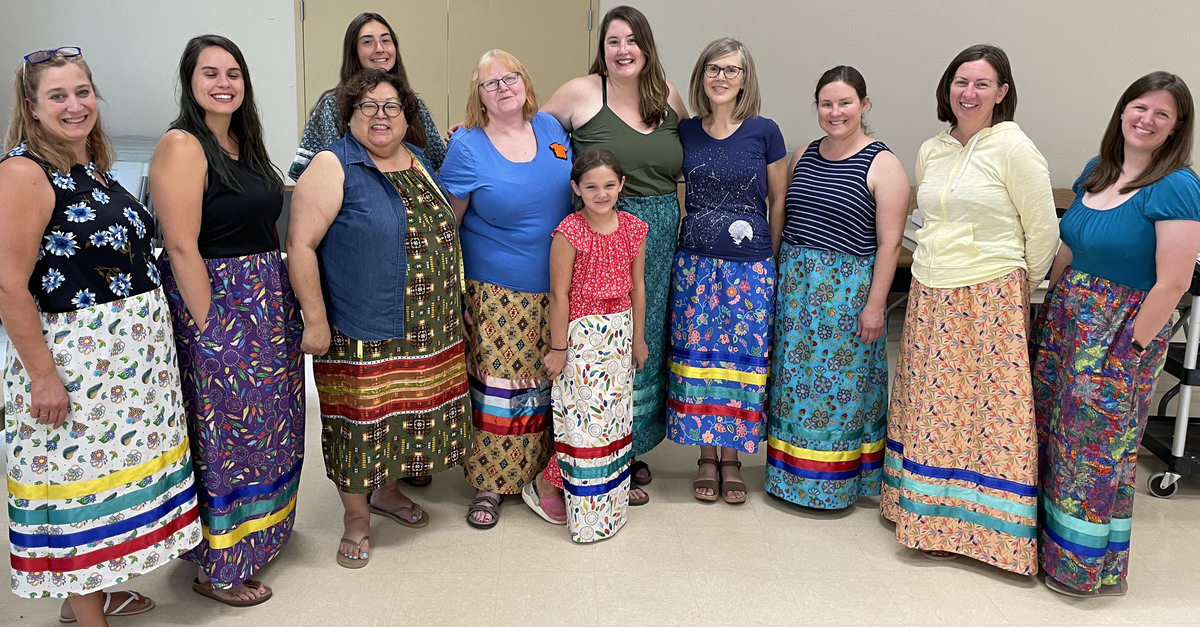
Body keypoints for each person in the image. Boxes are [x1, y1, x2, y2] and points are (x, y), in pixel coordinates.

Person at [0, 47, 201, 625]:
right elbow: (11, 287)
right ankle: (91, 617)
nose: (74, 105)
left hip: (123, 368)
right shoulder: (24, 173)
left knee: (109, 491)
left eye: (82, 92)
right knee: (79, 496)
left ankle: (94, 597)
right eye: (57, 96)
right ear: (32, 108)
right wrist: (42, 377)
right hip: (75, 363)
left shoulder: (86, 163)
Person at [879, 44, 1058, 574]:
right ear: (948, 88)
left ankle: (984, 532)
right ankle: (925, 516)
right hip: (932, 293)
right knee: (932, 408)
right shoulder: (932, 149)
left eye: (982, 83)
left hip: (989, 297)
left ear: (1002, 92)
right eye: (961, 81)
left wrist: (1016, 294)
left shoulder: (1014, 148)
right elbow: (925, 219)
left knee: (987, 414)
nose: (969, 92)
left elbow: (1043, 230)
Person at [287, 69, 468, 567]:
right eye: (369, 106)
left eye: (392, 106)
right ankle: (356, 518)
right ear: (348, 115)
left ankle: (385, 492)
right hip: (359, 326)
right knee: (359, 422)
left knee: (400, 419)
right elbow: (300, 246)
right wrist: (315, 321)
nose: (382, 116)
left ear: (407, 117)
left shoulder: (417, 161)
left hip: (427, 327)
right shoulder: (333, 164)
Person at [150, 35, 304, 605]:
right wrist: (212, 328)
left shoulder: (245, 142)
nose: (223, 83)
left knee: (269, 425)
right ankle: (218, 564)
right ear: (190, 82)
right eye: (210, 73)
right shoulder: (182, 144)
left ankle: (260, 535)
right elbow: (182, 247)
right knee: (225, 433)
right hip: (216, 302)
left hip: (265, 301)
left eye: (233, 72)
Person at [1034, 72, 1200, 597]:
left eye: (1162, 114)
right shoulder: (1097, 170)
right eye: (1139, 107)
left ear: (1176, 129)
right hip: (1065, 322)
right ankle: (1041, 548)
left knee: (1093, 450)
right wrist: (1038, 310)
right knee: (1051, 436)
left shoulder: (1176, 185)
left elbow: (1173, 280)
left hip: (1117, 333)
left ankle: (1082, 568)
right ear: (1123, 110)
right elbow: (1069, 248)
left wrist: (1132, 347)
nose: (1146, 119)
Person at [542, 5, 687, 502]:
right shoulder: (582, 91)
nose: (623, 50)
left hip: (660, 231)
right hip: (599, 228)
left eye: (631, 40)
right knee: (594, 338)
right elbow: (528, 131)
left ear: (646, 46)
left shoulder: (667, 96)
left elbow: (686, 158)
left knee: (641, 333)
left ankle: (629, 444)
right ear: (601, 49)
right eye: (613, 41)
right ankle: (586, 444)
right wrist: (469, 130)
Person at [765, 66, 909, 509]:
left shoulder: (883, 163)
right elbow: (784, 214)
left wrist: (875, 305)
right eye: (826, 103)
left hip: (846, 296)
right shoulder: (804, 152)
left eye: (845, 102)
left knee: (839, 388)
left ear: (864, 105)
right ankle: (787, 478)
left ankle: (833, 485)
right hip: (796, 288)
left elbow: (889, 245)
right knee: (792, 385)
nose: (835, 112)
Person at [441, 50, 573, 528]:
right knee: (500, 389)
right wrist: (449, 294)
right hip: (497, 290)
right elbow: (446, 226)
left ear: (525, 81)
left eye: (509, 77)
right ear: (478, 96)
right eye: (489, 83)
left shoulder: (552, 131)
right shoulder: (468, 146)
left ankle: (543, 474)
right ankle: (490, 484)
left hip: (560, 286)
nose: (502, 87)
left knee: (545, 384)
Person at [664, 38, 786, 504]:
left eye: (732, 70)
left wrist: (767, 256)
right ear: (701, 76)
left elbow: (779, 200)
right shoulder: (686, 131)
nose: (721, 77)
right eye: (713, 68)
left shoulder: (765, 131)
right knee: (700, 360)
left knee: (741, 365)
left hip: (749, 268)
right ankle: (705, 457)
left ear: (745, 78)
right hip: (694, 266)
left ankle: (732, 458)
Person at [529, 148, 647, 541]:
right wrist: (559, 349)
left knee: (613, 420)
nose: (601, 193)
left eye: (609, 185)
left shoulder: (634, 228)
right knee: (583, 423)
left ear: (622, 185)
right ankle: (550, 485)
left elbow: (639, 287)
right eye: (591, 186)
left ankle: (610, 497)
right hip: (582, 338)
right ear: (576, 188)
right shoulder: (570, 232)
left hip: (619, 336)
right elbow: (559, 294)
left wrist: (639, 339)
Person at [290, 12, 446, 186]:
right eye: (368, 42)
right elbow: (311, 178)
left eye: (386, 40)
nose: (379, 48)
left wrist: (463, 136)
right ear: (354, 51)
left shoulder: (413, 104)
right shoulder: (332, 105)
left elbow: (439, 164)